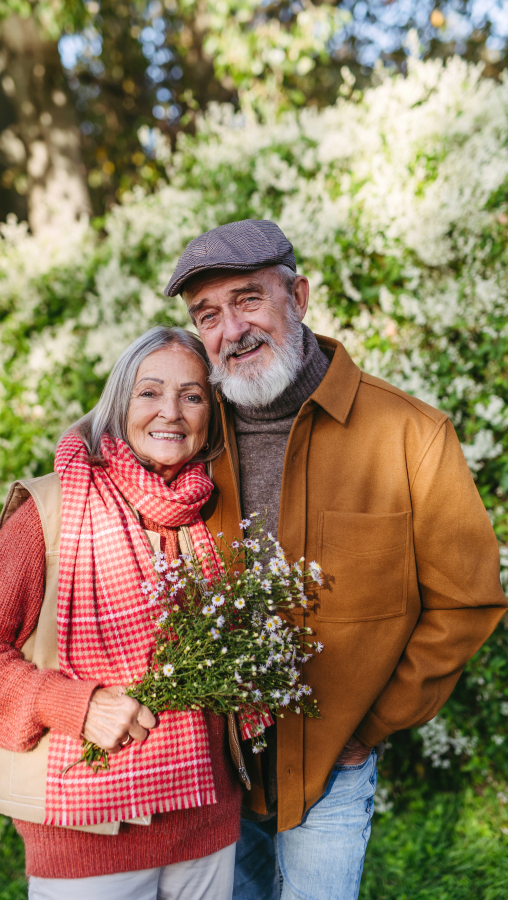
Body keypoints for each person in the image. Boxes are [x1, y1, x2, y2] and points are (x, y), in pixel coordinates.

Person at [163, 219, 507, 900]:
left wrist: (373, 724)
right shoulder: (184, 433)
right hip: (212, 767)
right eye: (209, 314)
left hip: (332, 763)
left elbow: (467, 600)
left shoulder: (410, 434)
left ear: (299, 294)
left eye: (249, 300)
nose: (232, 329)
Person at [0, 326, 242, 900]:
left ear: (211, 414)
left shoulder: (216, 514)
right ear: (117, 403)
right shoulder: (52, 509)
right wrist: (75, 706)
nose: (171, 413)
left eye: (193, 395)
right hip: (88, 830)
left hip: (206, 823)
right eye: (149, 392)